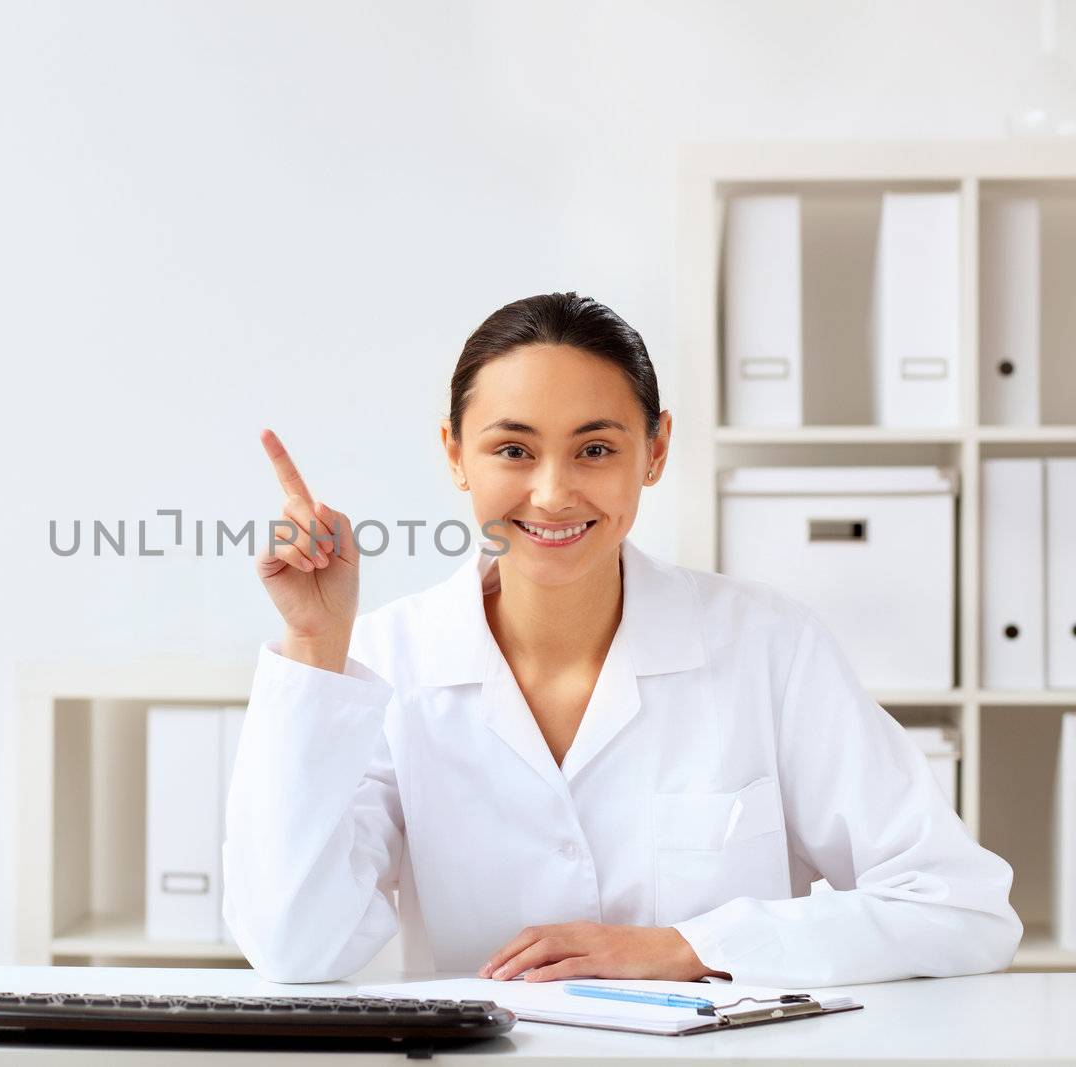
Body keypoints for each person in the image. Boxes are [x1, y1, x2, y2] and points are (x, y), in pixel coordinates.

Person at [220, 292, 1021, 988]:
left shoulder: (767, 645)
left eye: (595, 448)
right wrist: (316, 645)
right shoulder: (397, 657)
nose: (553, 491)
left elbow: (960, 907)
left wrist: (686, 947)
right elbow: (295, 944)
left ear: (657, 450)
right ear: (455, 454)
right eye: (513, 449)